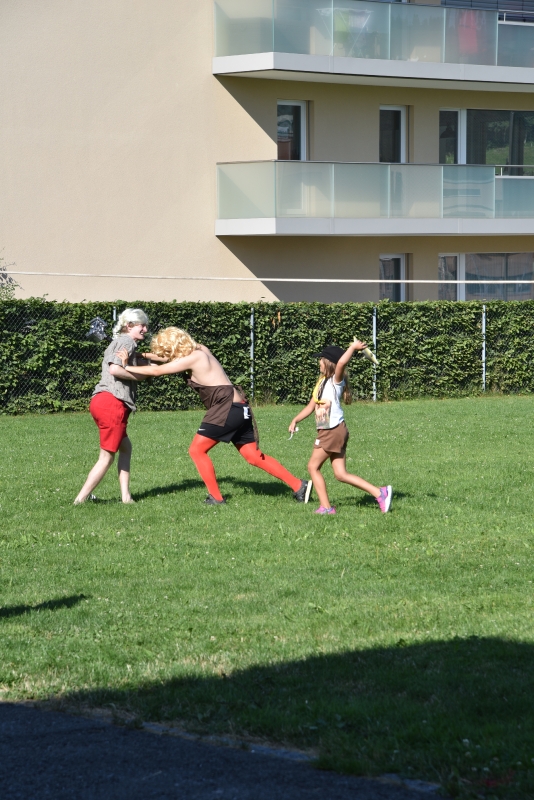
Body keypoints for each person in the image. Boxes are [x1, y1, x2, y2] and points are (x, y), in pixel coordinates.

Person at [119, 326, 311, 505]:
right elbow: (166, 359)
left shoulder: (192, 358)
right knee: (253, 456)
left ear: (173, 347)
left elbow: (157, 370)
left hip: (225, 408)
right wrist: (140, 354)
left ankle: (216, 498)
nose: (166, 355)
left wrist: (126, 366)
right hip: (240, 407)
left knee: (197, 450)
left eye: (167, 350)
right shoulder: (201, 350)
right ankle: (299, 485)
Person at [288, 343, 392, 515]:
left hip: (331, 431)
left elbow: (342, 362)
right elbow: (311, 406)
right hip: (335, 430)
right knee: (340, 474)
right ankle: (380, 493)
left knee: (313, 467)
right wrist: (295, 420)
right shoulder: (321, 382)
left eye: (321, 359)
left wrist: (353, 348)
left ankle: (326, 507)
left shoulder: (335, 381)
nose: (319, 362)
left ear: (329, 363)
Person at [74, 307, 158, 505]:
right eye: (142, 326)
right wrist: (142, 375)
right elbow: (115, 370)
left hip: (102, 401)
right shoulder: (126, 341)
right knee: (107, 457)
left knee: (125, 447)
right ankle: (80, 500)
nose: (145, 329)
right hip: (112, 403)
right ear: (129, 326)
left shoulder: (122, 342)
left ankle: (126, 497)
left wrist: (147, 366)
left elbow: (132, 364)